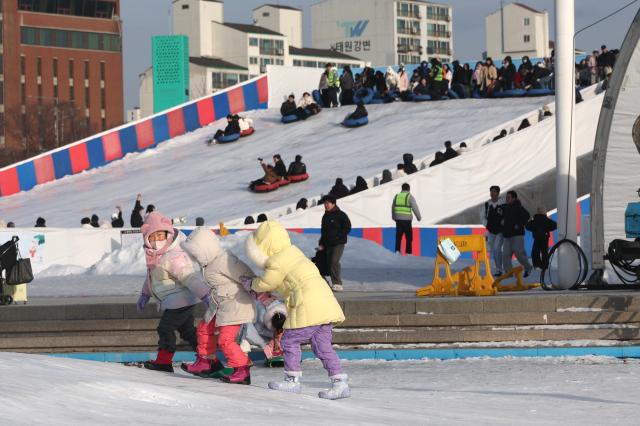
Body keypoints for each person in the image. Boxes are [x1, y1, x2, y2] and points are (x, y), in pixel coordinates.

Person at [242, 220, 350, 399]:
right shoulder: (293, 252)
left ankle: (292, 380)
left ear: (264, 246)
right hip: (325, 303)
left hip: (308, 305)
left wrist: (252, 284)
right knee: (323, 346)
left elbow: (269, 282)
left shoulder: (277, 260)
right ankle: (340, 382)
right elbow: (288, 282)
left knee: (289, 340)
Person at [180, 227, 259, 384]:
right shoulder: (208, 263)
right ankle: (206, 362)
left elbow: (248, 275)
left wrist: (260, 292)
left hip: (236, 305)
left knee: (225, 340)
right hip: (220, 304)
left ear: (205, 249)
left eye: (196, 254)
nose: (195, 258)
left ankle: (242, 369)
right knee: (204, 328)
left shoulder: (225, 260)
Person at [136, 212, 210, 372]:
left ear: (168, 235)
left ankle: (163, 361)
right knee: (187, 331)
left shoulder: (173, 256)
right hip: (174, 302)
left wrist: (205, 294)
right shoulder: (156, 258)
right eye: (153, 237)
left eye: (160, 235)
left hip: (180, 301)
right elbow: (152, 279)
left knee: (165, 328)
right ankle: (207, 358)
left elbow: (189, 277)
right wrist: (145, 294)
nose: (157, 241)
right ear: (147, 239)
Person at [319, 195, 351, 292]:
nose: (326, 205)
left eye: (328, 203)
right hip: (327, 243)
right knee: (328, 263)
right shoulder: (325, 216)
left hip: (338, 243)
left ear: (333, 204)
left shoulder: (341, 215)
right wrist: (321, 242)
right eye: (325, 203)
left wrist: (339, 236)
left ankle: (337, 283)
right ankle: (331, 283)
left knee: (334, 261)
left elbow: (347, 227)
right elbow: (323, 231)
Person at [501, 191, 532, 277]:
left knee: (519, 254)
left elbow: (527, 216)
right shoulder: (506, 208)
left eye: (509, 197)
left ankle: (528, 267)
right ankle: (509, 273)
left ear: (514, 198)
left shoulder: (519, 207)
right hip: (507, 235)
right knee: (505, 255)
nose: (507, 199)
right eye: (506, 197)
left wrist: (518, 225)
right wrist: (503, 221)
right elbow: (506, 218)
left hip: (517, 235)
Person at [481, 186, 505, 276]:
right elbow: (482, 216)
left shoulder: (503, 203)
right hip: (491, 231)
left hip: (500, 231)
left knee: (497, 248)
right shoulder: (487, 204)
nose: (492, 193)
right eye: (491, 192)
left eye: (494, 192)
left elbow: (507, 214)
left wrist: (504, 222)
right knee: (493, 250)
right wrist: (487, 225)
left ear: (498, 193)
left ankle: (500, 269)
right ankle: (498, 268)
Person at [392, 183, 422, 255]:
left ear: (402, 189)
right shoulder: (409, 196)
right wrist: (419, 218)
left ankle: (397, 251)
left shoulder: (396, 196)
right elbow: (415, 207)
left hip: (398, 220)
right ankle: (408, 253)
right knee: (408, 237)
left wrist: (394, 217)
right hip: (407, 221)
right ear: (409, 189)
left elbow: (393, 208)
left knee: (398, 236)